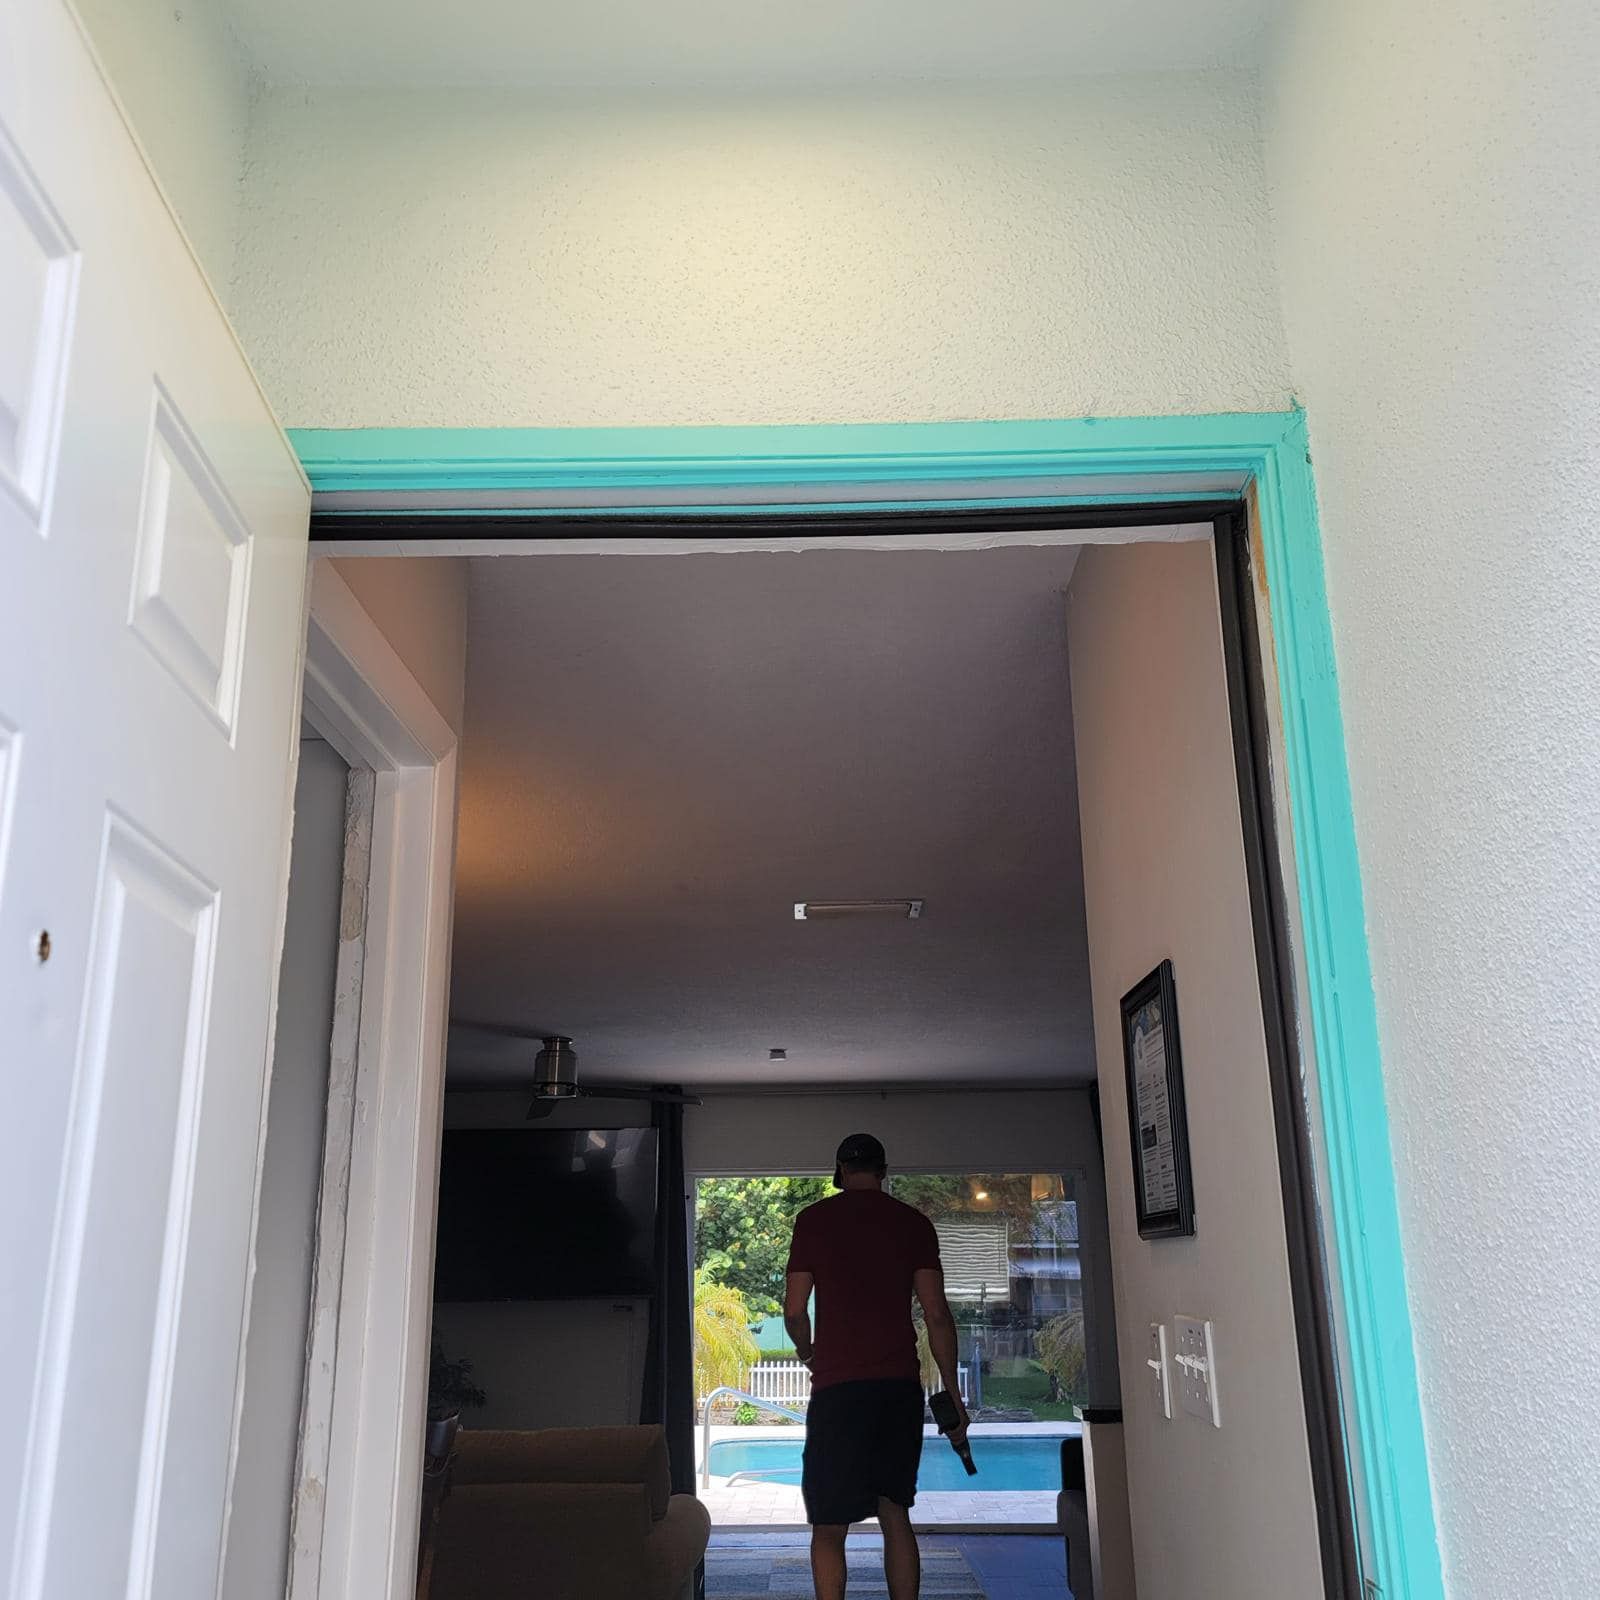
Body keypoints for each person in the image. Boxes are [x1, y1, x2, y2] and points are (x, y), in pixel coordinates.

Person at [783, 1133, 970, 1600]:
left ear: (841, 1171)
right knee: (894, 1514)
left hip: (837, 1392)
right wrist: (954, 1392)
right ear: (884, 1171)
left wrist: (808, 1352)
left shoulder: (813, 1221)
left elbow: (793, 1310)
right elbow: (937, 1315)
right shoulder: (914, 1223)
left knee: (829, 1526)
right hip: (896, 1389)